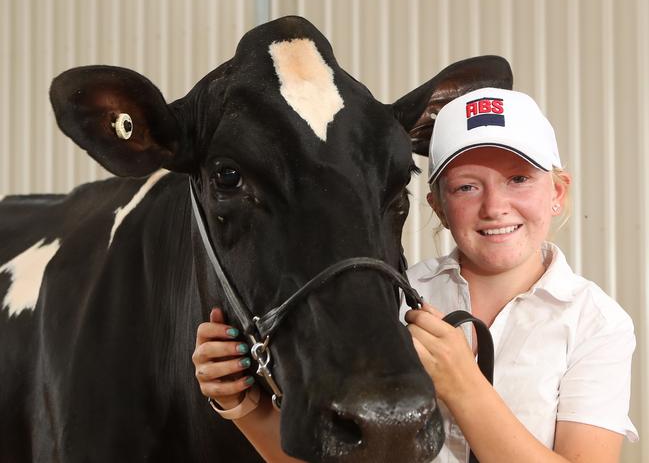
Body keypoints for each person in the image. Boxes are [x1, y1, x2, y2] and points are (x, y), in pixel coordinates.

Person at [192, 87, 637, 462]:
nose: (495, 206)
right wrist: (241, 404)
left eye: (519, 179)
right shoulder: (394, 297)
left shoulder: (596, 323)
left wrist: (462, 386)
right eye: (467, 186)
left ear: (557, 192)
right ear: (438, 207)